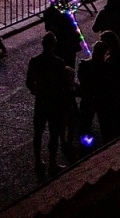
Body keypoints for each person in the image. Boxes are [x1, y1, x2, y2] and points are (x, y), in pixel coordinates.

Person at [26, 33, 76, 178]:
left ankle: (38, 161)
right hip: (55, 101)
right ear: (54, 45)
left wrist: (36, 91)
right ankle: (52, 162)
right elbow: (63, 84)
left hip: (41, 100)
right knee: (54, 133)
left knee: (38, 132)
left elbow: (29, 82)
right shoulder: (59, 63)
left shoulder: (34, 61)